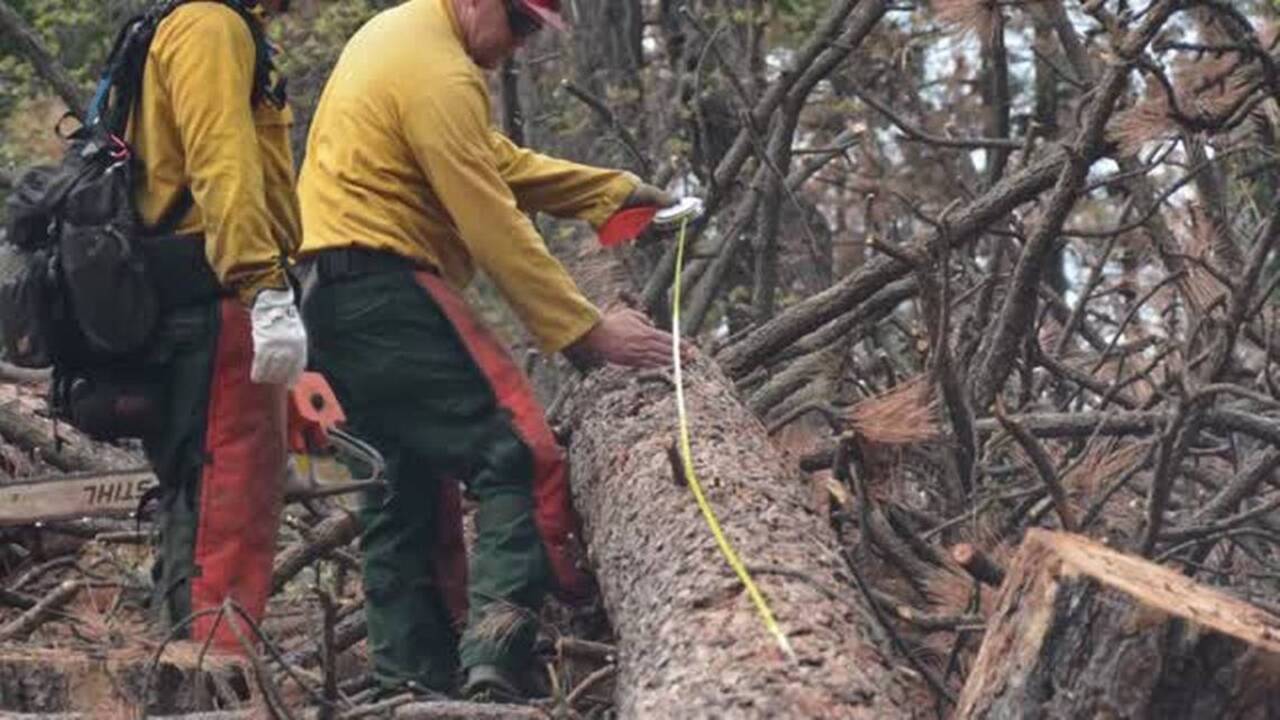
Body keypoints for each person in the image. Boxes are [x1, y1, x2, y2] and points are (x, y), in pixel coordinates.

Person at [296, 0, 678, 698]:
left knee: (399, 489)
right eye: (519, 23)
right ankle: (498, 662)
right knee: (516, 458)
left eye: (534, 29)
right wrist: (585, 331)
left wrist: (612, 194)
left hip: (329, 301)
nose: (520, 45)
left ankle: (408, 684)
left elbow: (492, 161)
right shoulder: (439, 71)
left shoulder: (404, 39)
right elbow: (490, 219)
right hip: (389, 291)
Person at [129, 0, 307, 650]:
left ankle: (187, 657)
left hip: (207, 293)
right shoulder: (212, 26)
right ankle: (210, 667)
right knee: (227, 498)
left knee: (205, 498)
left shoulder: (218, 25)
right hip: (214, 296)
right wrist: (263, 286)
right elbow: (221, 163)